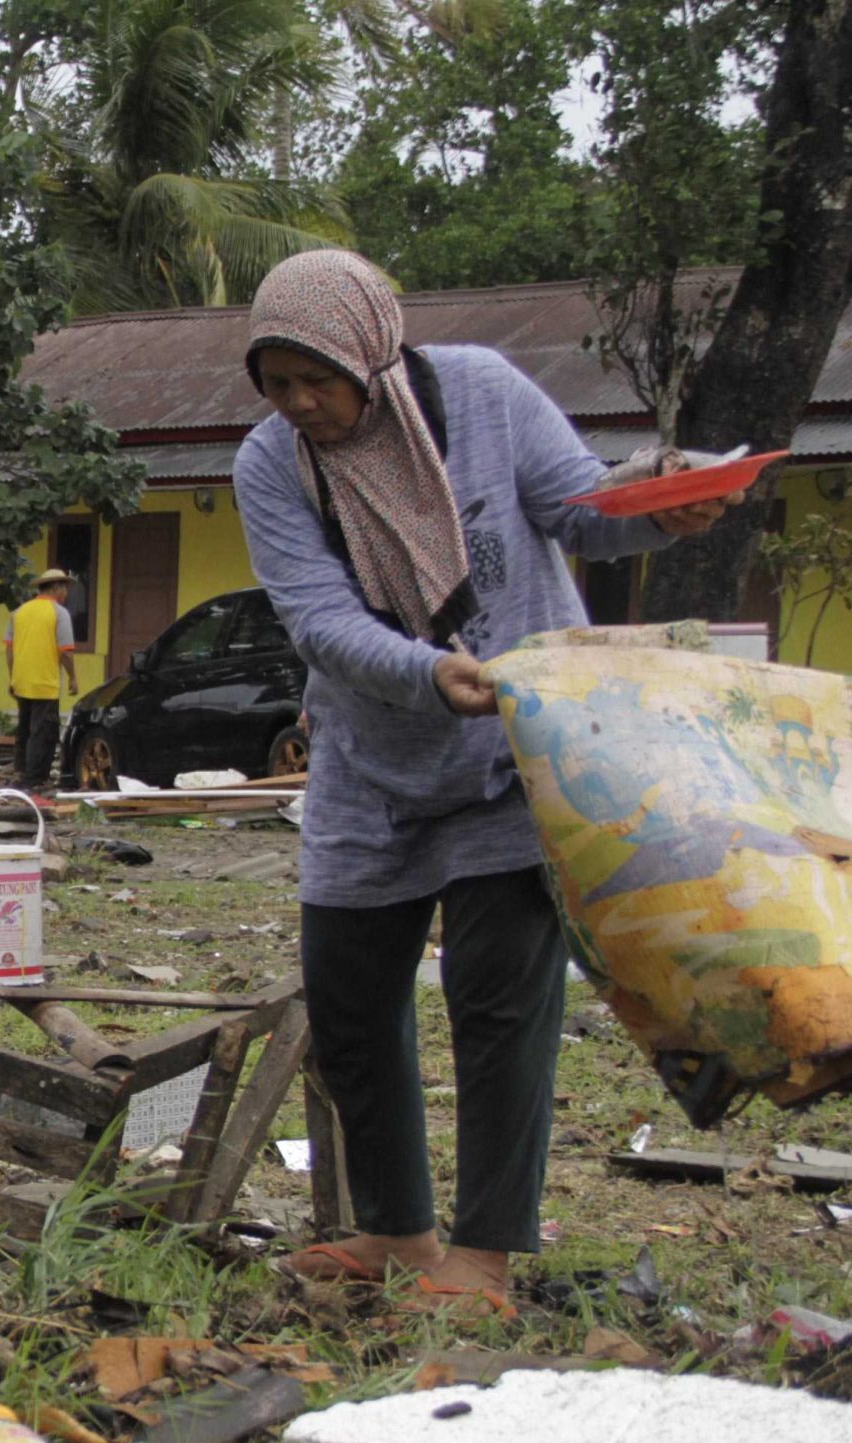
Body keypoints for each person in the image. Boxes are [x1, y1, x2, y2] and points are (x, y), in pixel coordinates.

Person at [232, 249, 733, 1315]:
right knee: (350, 997)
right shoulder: (269, 465)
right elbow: (318, 620)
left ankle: (485, 1256)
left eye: (315, 376)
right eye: (275, 383)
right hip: (373, 761)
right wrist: (429, 673)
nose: (299, 403)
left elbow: (584, 510)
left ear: (370, 347)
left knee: (499, 999)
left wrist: (661, 506)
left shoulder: (484, 394)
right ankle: (395, 1229)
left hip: (518, 750)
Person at [4, 567, 79, 791]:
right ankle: (35, 779)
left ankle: (21, 771)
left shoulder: (19, 613)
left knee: (25, 729)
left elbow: (9, 650)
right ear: (56, 587)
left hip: (22, 681)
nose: (66, 594)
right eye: (64, 588)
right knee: (43, 732)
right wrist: (73, 677)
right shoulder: (59, 613)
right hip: (45, 683)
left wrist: (13, 678)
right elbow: (65, 651)